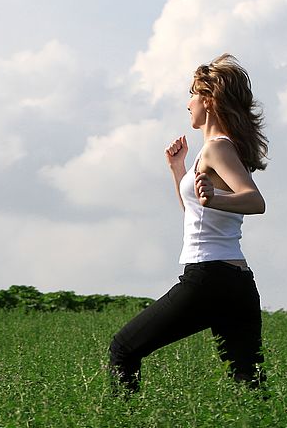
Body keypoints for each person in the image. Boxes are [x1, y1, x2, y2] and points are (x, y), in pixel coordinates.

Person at [109, 53, 268, 394]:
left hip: (208, 280)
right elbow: (198, 213)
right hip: (236, 285)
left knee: (123, 349)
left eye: (193, 95)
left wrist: (218, 197)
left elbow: (255, 200)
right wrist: (177, 169)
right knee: (249, 386)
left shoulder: (217, 149)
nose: (188, 103)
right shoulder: (213, 151)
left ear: (208, 100)